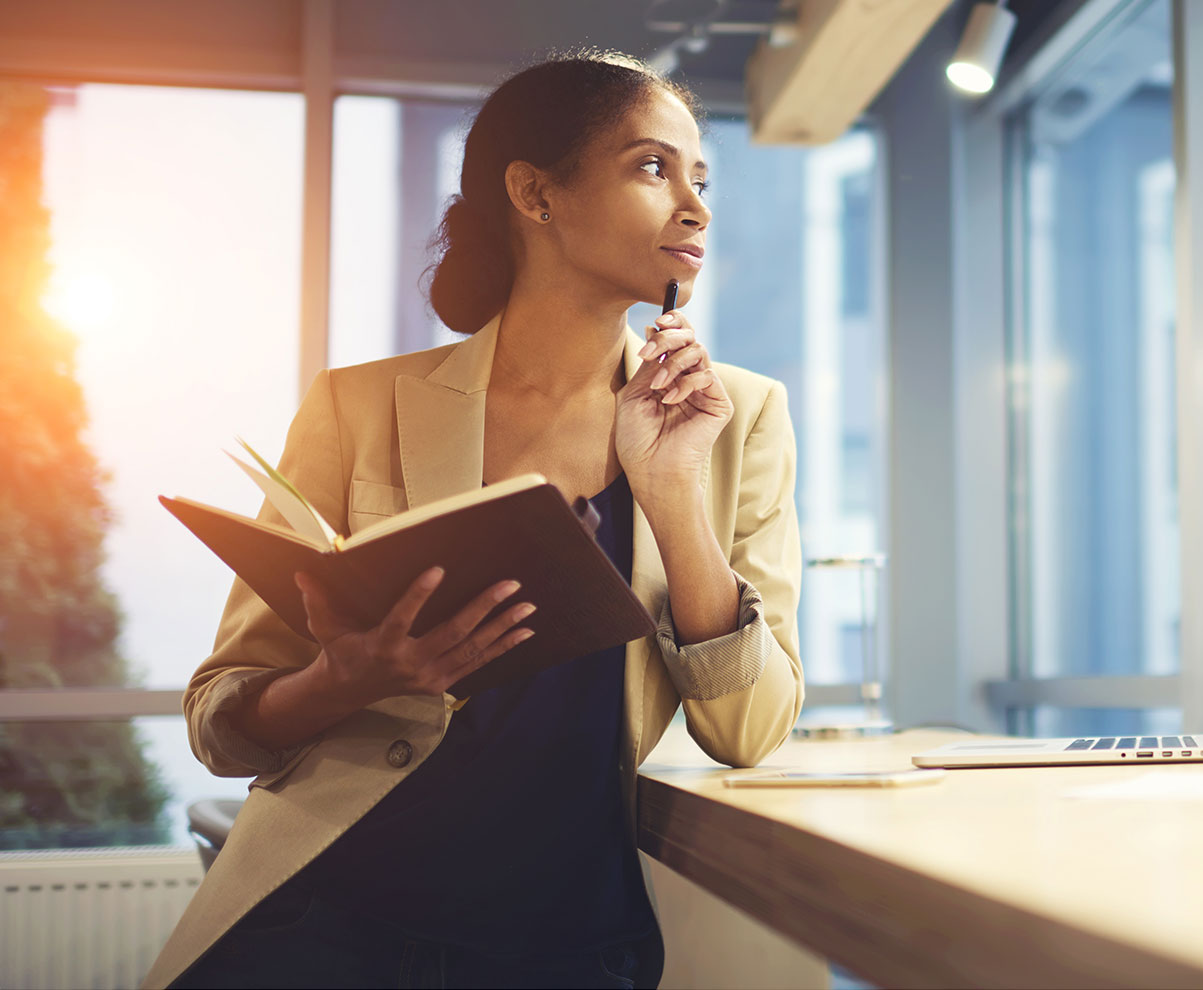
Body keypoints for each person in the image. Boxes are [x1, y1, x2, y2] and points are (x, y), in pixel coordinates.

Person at [142, 50, 805, 989]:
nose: (696, 207)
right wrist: (343, 678)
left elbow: (751, 731)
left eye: (700, 178)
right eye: (653, 168)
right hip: (325, 927)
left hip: (568, 947)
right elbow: (222, 718)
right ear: (535, 193)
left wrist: (672, 495)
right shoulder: (357, 408)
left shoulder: (740, 416)